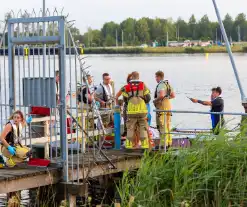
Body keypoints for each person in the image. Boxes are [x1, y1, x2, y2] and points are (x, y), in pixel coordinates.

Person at [122, 71, 151, 149]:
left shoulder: (127, 86)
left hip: (131, 110)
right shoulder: (143, 85)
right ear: (138, 77)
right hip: (142, 110)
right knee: (143, 127)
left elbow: (125, 99)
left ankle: (128, 146)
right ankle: (145, 146)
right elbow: (148, 98)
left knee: (130, 128)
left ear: (131, 77)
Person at [153, 71, 175, 149]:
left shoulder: (161, 85)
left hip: (162, 105)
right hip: (168, 104)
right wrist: (166, 98)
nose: (155, 79)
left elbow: (161, 95)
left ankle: (163, 145)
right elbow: (173, 95)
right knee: (168, 124)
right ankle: (169, 142)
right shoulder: (168, 84)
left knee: (162, 125)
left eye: (156, 77)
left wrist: (155, 100)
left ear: (159, 77)